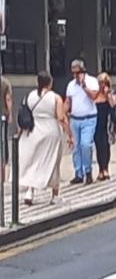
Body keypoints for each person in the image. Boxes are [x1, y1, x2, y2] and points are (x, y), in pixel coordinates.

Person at [19, 71, 71, 206]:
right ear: (50, 82)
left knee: (34, 162)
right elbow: (61, 118)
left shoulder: (29, 96)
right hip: (51, 133)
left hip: (34, 132)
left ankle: (29, 191)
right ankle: (55, 195)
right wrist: (70, 135)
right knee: (53, 163)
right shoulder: (55, 97)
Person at [65, 59, 99, 185]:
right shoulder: (71, 85)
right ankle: (78, 173)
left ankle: (88, 171)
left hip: (89, 118)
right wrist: (62, 114)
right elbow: (68, 102)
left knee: (86, 144)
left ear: (83, 71)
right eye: (73, 73)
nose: (75, 76)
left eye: (77, 72)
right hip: (75, 119)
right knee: (76, 147)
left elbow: (94, 96)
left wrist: (84, 86)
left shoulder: (92, 81)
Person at [94, 72, 116, 180]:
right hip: (96, 123)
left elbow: (113, 104)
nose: (102, 85)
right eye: (100, 83)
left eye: (104, 83)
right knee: (98, 146)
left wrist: (108, 94)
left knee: (105, 145)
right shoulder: (96, 94)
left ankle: (106, 168)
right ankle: (100, 169)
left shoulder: (109, 93)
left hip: (106, 123)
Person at [1, 75, 12, 181]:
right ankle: (3, 176)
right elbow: (8, 98)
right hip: (2, 117)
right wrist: (10, 114)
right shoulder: (5, 83)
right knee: (3, 144)